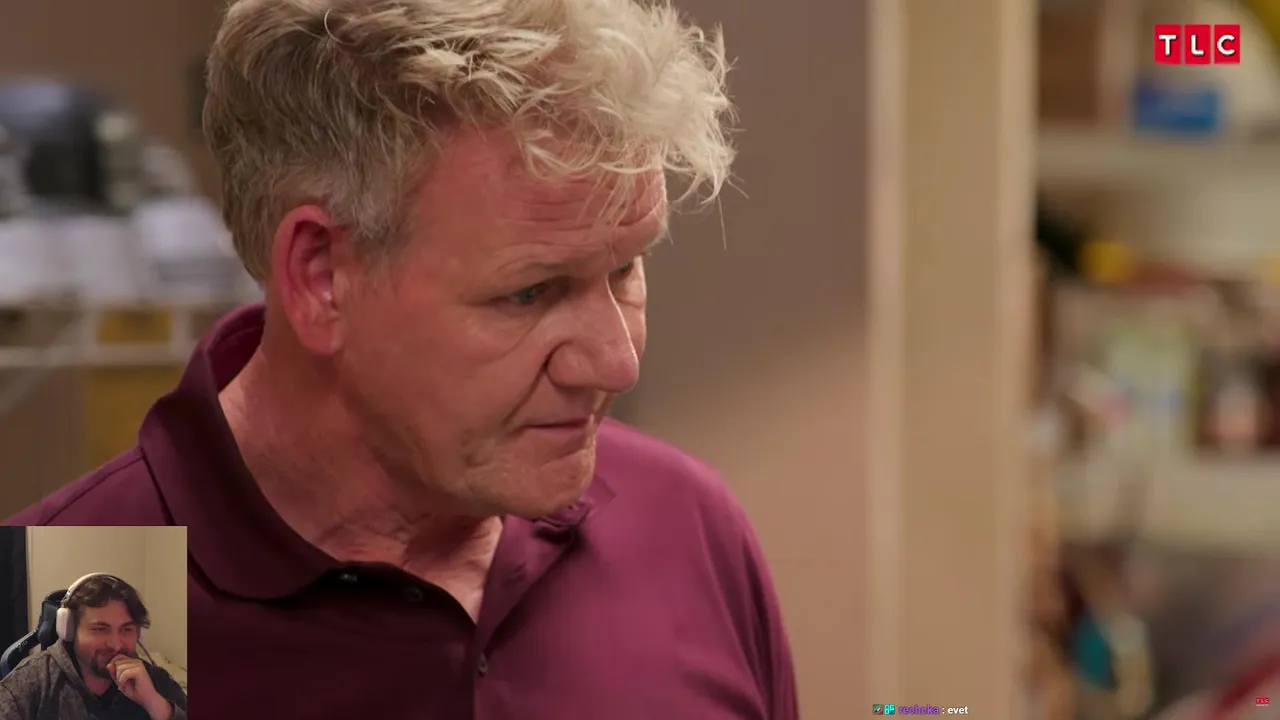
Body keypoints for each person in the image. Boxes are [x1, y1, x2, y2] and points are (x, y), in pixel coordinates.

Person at [4, 0, 799, 717]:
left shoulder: (686, 523)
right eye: (530, 292)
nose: (615, 363)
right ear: (321, 277)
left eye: (625, 269)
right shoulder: (66, 604)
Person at [0, 574, 187, 719]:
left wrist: (154, 703)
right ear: (70, 631)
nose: (115, 644)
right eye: (100, 629)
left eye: (127, 629)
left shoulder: (154, 681)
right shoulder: (28, 684)